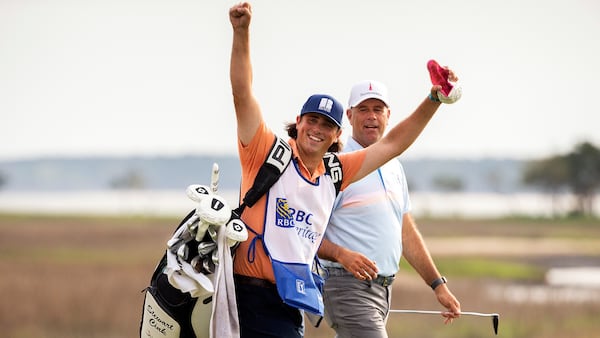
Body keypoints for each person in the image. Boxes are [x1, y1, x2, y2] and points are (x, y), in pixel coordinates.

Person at [228, 3, 460, 337]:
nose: (317, 129)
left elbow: (394, 144)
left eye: (326, 124)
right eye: (311, 120)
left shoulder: (335, 171)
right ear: (299, 123)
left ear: (337, 134)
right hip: (248, 292)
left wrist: (435, 97)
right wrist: (242, 32)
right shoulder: (265, 151)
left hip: (291, 299)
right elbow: (242, 93)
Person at [317, 80, 461, 338]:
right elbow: (306, 232)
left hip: (383, 291)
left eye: (378, 109)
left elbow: (405, 232)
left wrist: (437, 285)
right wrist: (341, 255)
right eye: (363, 109)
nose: (371, 116)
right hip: (346, 286)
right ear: (349, 115)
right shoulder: (335, 166)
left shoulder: (394, 167)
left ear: (388, 115)